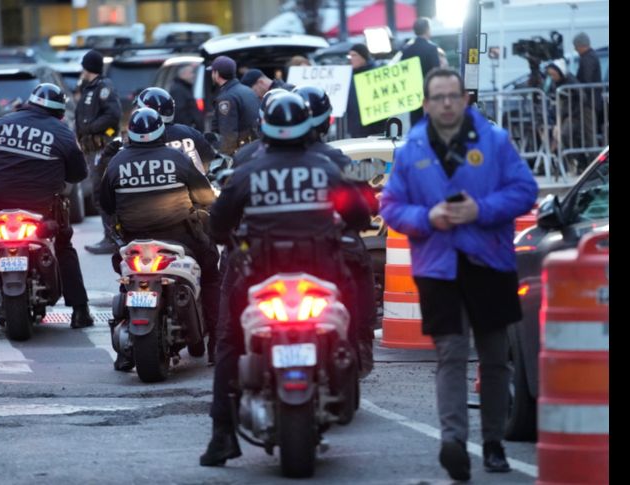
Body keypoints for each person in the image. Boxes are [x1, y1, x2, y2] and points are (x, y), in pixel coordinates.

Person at [380, 68, 538, 481]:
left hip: (489, 262)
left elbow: (525, 191)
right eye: (439, 97)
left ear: (464, 99)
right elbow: (392, 207)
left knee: (493, 356)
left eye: (454, 95)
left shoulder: (495, 141)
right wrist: (428, 216)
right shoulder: (412, 148)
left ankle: (492, 444)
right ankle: (454, 443)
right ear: (427, 104)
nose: (447, 103)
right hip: (438, 267)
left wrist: (480, 210)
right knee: (450, 354)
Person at [199, 93, 371, 467]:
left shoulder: (245, 171)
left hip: (259, 280)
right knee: (353, 313)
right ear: (310, 125)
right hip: (323, 276)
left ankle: (222, 435)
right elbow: (362, 214)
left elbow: (216, 226)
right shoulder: (330, 166)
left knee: (229, 340)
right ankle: (352, 363)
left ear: (264, 128)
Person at [0, 83, 94, 329]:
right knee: (64, 247)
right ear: (59, 112)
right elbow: (78, 174)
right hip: (42, 208)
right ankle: (79, 311)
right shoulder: (63, 133)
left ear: (29, 103)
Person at [99, 108, 221, 369]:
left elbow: (105, 204)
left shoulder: (117, 163)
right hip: (181, 238)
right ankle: (218, 345)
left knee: (126, 281)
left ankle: (124, 350)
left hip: (134, 242)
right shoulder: (176, 158)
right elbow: (206, 198)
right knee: (211, 275)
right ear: (161, 131)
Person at [294, 85, 379, 376]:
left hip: (271, 256)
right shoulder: (339, 160)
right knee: (359, 271)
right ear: (327, 120)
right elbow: (367, 204)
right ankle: (360, 342)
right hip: (329, 253)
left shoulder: (255, 160)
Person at [75, 49, 123, 255]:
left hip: (101, 149)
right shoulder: (89, 87)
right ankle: (112, 235)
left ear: (88, 67)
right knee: (100, 194)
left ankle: (112, 238)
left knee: (101, 193)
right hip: (91, 149)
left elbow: (113, 115)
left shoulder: (103, 88)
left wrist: (91, 127)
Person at [134, 87, 216, 174]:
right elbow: (210, 161)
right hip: (192, 185)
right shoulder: (190, 133)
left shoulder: (136, 139)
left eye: (137, 108)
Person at [545, 58, 595, 173]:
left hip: (577, 114)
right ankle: (577, 162)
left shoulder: (571, 81)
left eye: (554, 74)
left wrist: (573, 113)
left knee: (571, 135)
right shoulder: (554, 83)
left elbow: (581, 97)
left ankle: (585, 163)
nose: (552, 77)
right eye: (550, 75)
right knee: (563, 136)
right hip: (564, 115)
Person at [208, 55, 260, 156]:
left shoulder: (226, 98)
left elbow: (229, 135)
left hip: (240, 153)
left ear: (216, 73)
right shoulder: (248, 90)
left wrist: (224, 159)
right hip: (253, 148)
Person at [400, 18, 441, 128]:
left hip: (412, 91)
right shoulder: (431, 48)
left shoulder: (407, 50)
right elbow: (436, 71)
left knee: (415, 121)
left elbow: (402, 71)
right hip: (429, 90)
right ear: (427, 29)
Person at [346, 43, 387, 137]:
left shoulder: (375, 73)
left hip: (374, 127)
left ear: (363, 57)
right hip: (355, 126)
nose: (351, 58)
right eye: (349, 55)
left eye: (354, 55)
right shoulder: (349, 75)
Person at [169, 64, 204, 130]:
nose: (193, 75)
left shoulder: (185, 88)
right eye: (191, 73)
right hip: (186, 131)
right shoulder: (178, 90)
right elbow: (179, 114)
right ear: (183, 74)